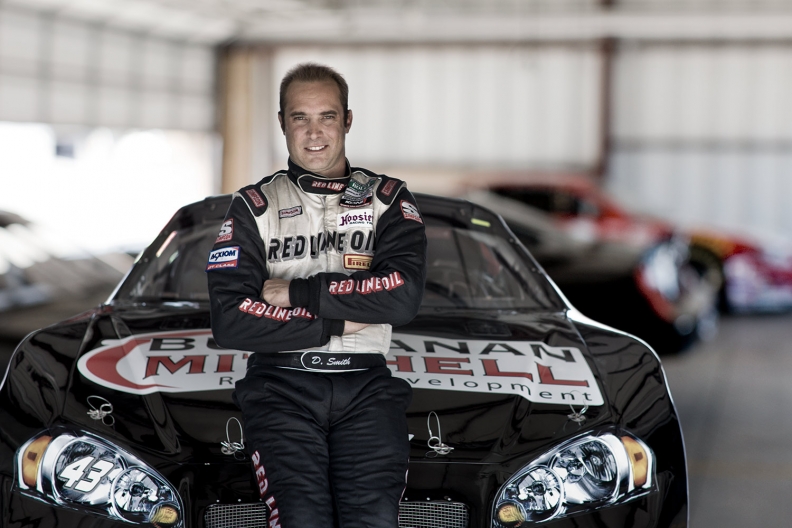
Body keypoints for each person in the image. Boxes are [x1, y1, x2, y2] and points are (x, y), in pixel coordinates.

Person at [206, 62, 427, 528]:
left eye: (326, 116)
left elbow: (402, 297)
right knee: (301, 519)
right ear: (282, 122)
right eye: (299, 118)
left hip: (368, 387)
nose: (313, 133)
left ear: (347, 120)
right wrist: (337, 323)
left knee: (374, 521)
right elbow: (231, 318)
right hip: (279, 387)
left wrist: (298, 293)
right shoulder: (252, 206)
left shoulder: (387, 199)